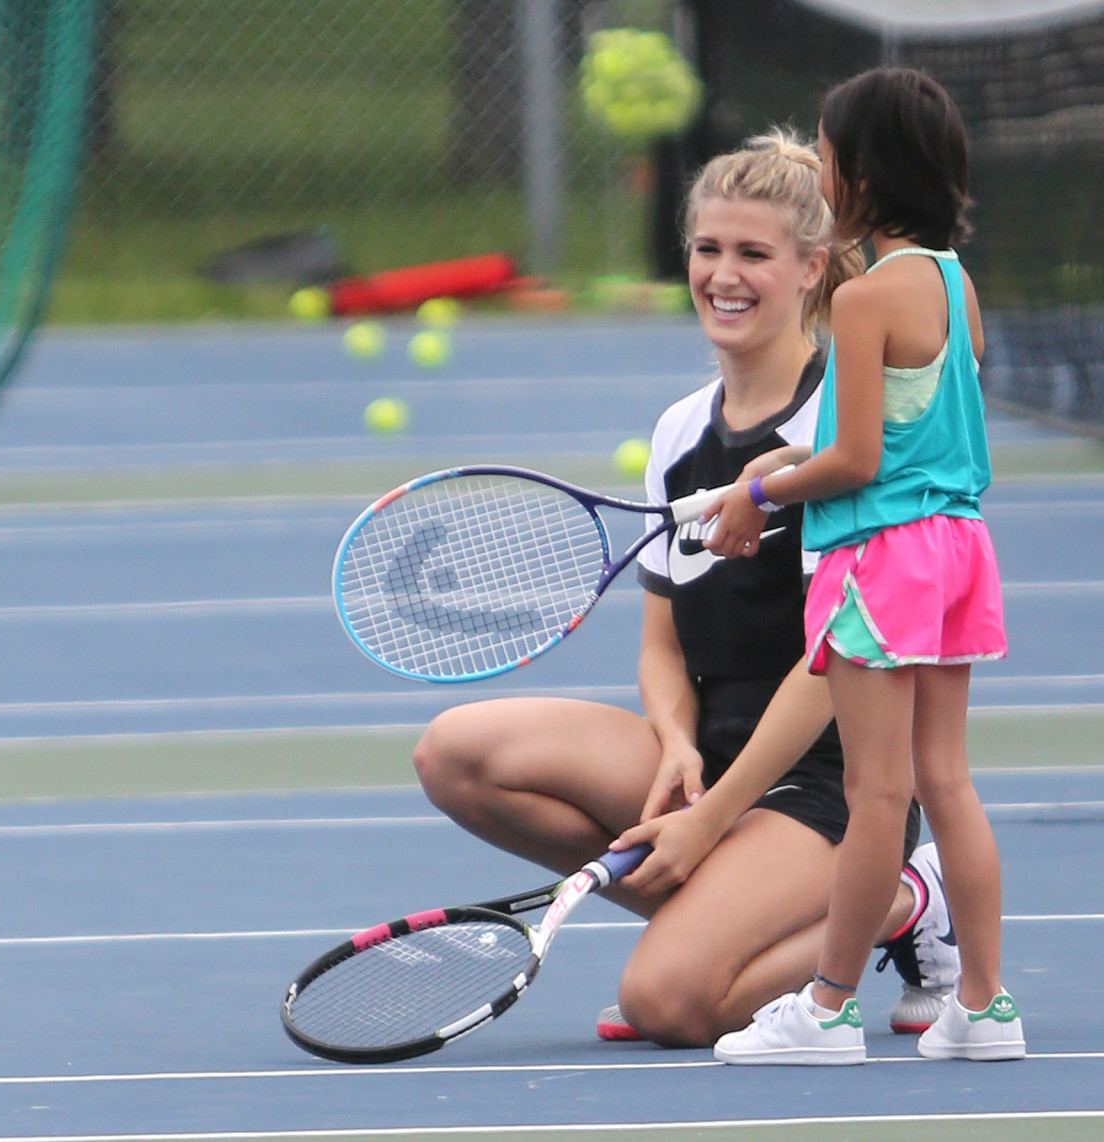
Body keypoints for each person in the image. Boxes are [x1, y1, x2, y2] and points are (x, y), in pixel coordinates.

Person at [412, 130, 957, 1048]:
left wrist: (710, 819)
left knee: (669, 1004)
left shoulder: (843, 430)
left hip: (828, 781)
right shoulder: (680, 430)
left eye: (754, 254)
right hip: (711, 748)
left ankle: (898, 899)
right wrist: (672, 745)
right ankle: (718, 919)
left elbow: (836, 663)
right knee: (456, 753)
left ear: (813, 268)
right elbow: (662, 642)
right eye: (709, 250)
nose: (724, 275)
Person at [702, 69, 1025, 1063]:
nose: (820, 170)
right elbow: (914, 442)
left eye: (827, 156)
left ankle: (830, 1005)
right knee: (947, 782)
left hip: (877, 561)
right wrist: (780, 462)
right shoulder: (950, 283)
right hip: (956, 552)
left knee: (876, 792)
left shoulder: (864, 301)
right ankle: (984, 1003)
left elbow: (857, 463)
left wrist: (756, 496)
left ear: (861, 178)